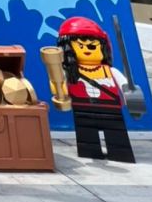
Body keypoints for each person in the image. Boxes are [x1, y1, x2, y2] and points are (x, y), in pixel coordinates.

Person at [55, 16, 135, 163]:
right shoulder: (71, 73)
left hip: (111, 110)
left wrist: (132, 97)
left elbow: (126, 87)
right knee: (87, 139)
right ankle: (91, 151)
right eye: (80, 46)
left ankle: (119, 153)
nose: (86, 49)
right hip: (83, 109)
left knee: (117, 138)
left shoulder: (111, 72)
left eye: (92, 46)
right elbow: (60, 89)